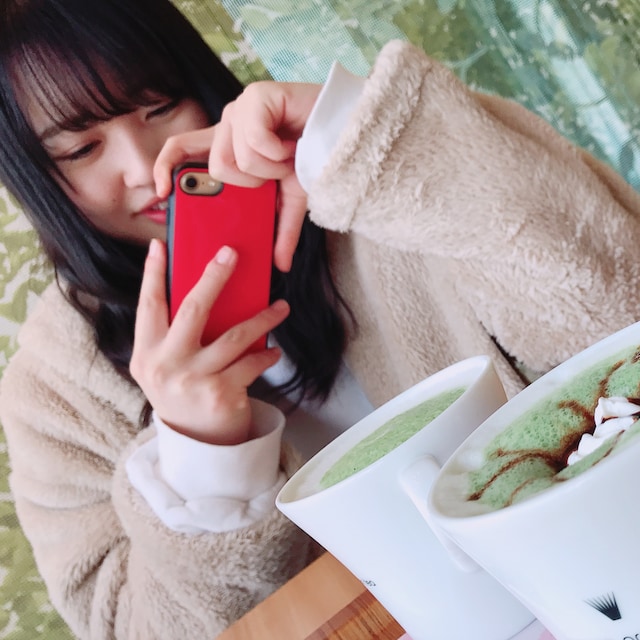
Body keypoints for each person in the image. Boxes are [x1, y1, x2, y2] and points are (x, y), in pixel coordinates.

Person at [2, 0, 640, 638]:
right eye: (82, 149)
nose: (145, 166)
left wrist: (367, 143)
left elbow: (617, 306)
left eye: (160, 106)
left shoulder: (373, 182)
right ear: (35, 180)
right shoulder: (53, 393)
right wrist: (202, 457)